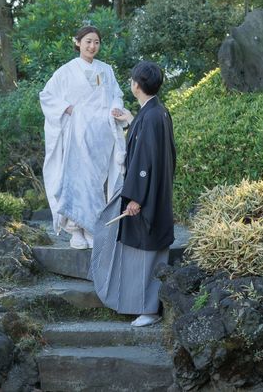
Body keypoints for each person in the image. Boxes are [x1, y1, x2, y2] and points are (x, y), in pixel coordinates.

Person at [90, 60, 176, 327]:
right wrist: (130, 121)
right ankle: (147, 306)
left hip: (146, 197)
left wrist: (136, 198)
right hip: (157, 192)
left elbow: (144, 161)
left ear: (136, 85)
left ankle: (149, 310)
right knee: (150, 251)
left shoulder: (150, 117)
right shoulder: (157, 112)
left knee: (146, 253)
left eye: (132, 81)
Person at [39, 26, 126, 249]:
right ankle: (75, 229)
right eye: (88, 41)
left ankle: (91, 228)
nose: (92, 46)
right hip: (76, 136)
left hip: (100, 137)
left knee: (95, 183)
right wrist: (67, 108)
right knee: (76, 180)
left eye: (96, 42)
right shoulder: (66, 71)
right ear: (77, 42)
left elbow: (116, 95)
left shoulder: (106, 70)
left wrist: (115, 108)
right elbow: (47, 96)